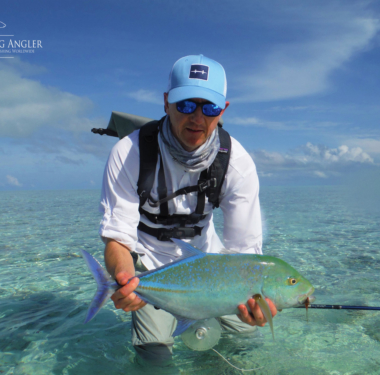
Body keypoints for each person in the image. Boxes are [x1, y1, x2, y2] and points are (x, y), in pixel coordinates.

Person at [98, 54, 277, 364]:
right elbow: (118, 238)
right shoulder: (128, 153)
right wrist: (124, 277)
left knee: (245, 337)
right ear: (166, 102)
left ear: (222, 110)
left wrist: (255, 302)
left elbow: (245, 252)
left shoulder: (237, 163)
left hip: (209, 265)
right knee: (154, 353)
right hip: (150, 266)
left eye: (209, 108)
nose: (197, 118)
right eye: (185, 105)